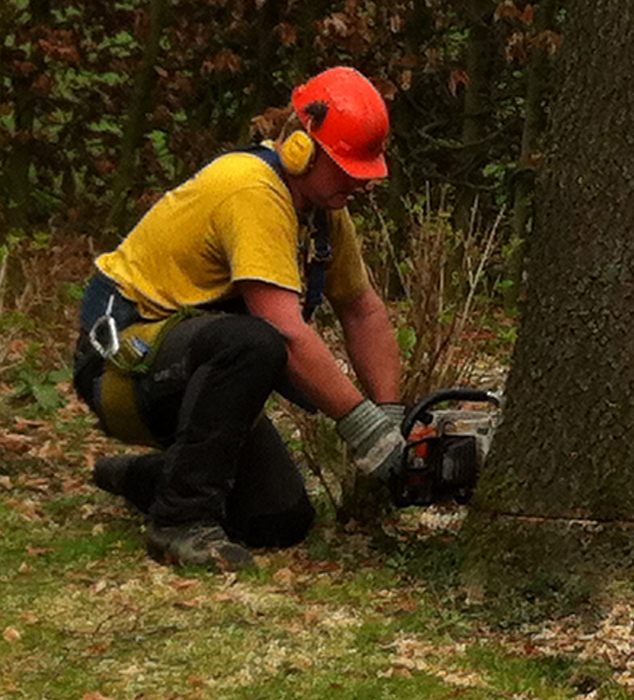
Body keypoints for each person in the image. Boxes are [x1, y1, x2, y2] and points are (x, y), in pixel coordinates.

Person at [73, 67, 408, 572]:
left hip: (192, 368)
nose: (361, 182)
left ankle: (151, 477)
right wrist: (364, 429)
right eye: (347, 166)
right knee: (255, 342)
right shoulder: (250, 189)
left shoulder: (321, 212)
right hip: (124, 371)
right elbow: (286, 334)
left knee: (280, 518)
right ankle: (179, 523)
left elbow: (362, 310)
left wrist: (392, 417)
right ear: (301, 149)